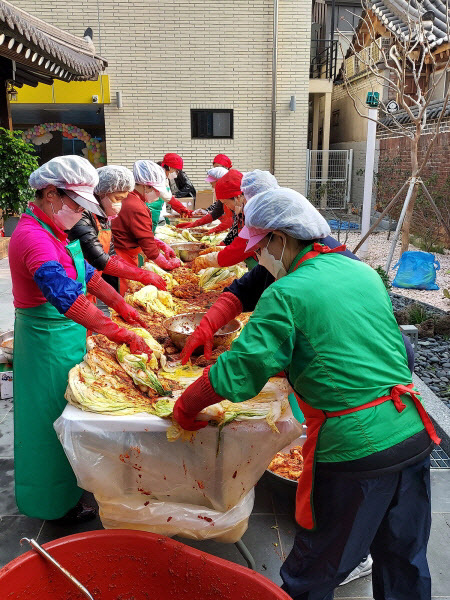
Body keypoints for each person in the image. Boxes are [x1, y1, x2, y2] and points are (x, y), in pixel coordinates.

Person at [173, 187, 437, 600]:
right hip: (412, 432)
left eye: (259, 249)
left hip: (356, 451)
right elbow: (364, 347)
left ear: (280, 239)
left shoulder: (286, 293)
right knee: (403, 559)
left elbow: (239, 373)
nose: (257, 259)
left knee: (313, 570)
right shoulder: (361, 271)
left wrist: (187, 404)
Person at [9, 156, 154, 524]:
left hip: (65, 336)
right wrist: (119, 331)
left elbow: (88, 274)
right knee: (49, 424)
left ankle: (72, 489)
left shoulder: (56, 232)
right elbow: (64, 295)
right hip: (44, 341)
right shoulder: (32, 237)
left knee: (68, 418)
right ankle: (53, 504)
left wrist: (122, 304)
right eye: (75, 204)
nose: (78, 212)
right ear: (51, 194)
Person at [68, 165, 166, 294]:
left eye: (122, 199)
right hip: (76, 285)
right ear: (101, 193)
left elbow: (111, 254)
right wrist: (142, 275)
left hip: (92, 282)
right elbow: (100, 258)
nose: (119, 204)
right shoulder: (82, 215)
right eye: (117, 198)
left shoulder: (104, 216)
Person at [112, 160, 180, 294]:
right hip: (122, 257)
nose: (158, 194)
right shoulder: (135, 206)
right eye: (156, 190)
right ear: (146, 186)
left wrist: (161, 244)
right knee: (125, 297)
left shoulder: (132, 199)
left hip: (124, 255)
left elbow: (141, 233)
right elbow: (148, 247)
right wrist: (166, 264)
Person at [191, 169, 279, 271]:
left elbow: (243, 246)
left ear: (238, 197)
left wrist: (208, 260)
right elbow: (239, 236)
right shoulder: (244, 210)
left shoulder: (259, 214)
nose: (227, 207)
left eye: (226, 203)